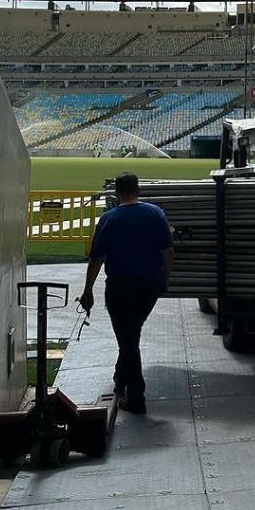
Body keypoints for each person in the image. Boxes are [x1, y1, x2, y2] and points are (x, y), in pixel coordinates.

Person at [80, 172, 174, 414]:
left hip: (120, 287)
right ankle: (120, 379)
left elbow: (97, 259)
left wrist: (88, 289)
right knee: (131, 335)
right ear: (138, 190)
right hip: (148, 286)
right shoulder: (156, 214)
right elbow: (167, 252)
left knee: (128, 340)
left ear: (116, 193)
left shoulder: (109, 219)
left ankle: (137, 398)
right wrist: (164, 279)